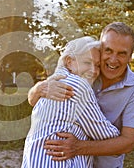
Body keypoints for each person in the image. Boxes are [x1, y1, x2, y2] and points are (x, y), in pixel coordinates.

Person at [28, 22, 134, 168]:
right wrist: (39, 89)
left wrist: (78, 147)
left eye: (122, 53)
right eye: (108, 50)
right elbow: (34, 101)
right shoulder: (84, 73)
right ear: (100, 49)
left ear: (130, 56)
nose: (113, 59)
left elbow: (128, 142)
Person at [22, 36, 120, 168]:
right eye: (87, 62)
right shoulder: (78, 85)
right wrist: (123, 136)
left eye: (97, 65)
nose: (94, 71)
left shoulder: (53, 81)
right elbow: (105, 135)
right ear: (69, 61)